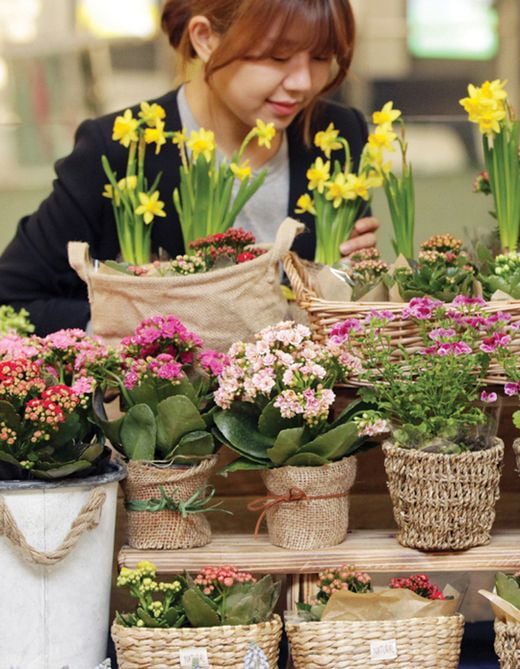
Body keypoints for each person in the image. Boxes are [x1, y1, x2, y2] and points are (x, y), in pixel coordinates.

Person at [0, 0, 379, 335]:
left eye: (320, 58)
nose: (303, 83)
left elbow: (337, 298)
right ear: (205, 38)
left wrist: (348, 275)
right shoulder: (123, 148)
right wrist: (133, 320)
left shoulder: (337, 134)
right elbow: (11, 298)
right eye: (278, 57)